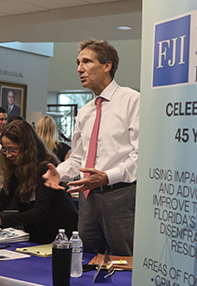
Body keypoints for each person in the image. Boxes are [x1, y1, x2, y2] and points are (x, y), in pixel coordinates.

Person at [43, 39, 140, 256]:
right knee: (86, 261)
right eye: (78, 63)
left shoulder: (132, 100)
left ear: (107, 65)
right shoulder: (85, 111)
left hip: (121, 196)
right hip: (88, 200)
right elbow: (78, 159)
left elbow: (140, 157)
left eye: (87, 61)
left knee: (123, 262)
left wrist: (107, 176)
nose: (80, 68)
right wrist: (58, 173)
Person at [0, 120, 78, 244]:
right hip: (37, 234)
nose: (8, 155)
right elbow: (2, 202)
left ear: (27, 147)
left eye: (12, 150)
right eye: (5, 150)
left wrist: (0, 219)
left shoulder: (45, 168)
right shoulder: (16, 169)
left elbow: (39, 212)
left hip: (60, 234)